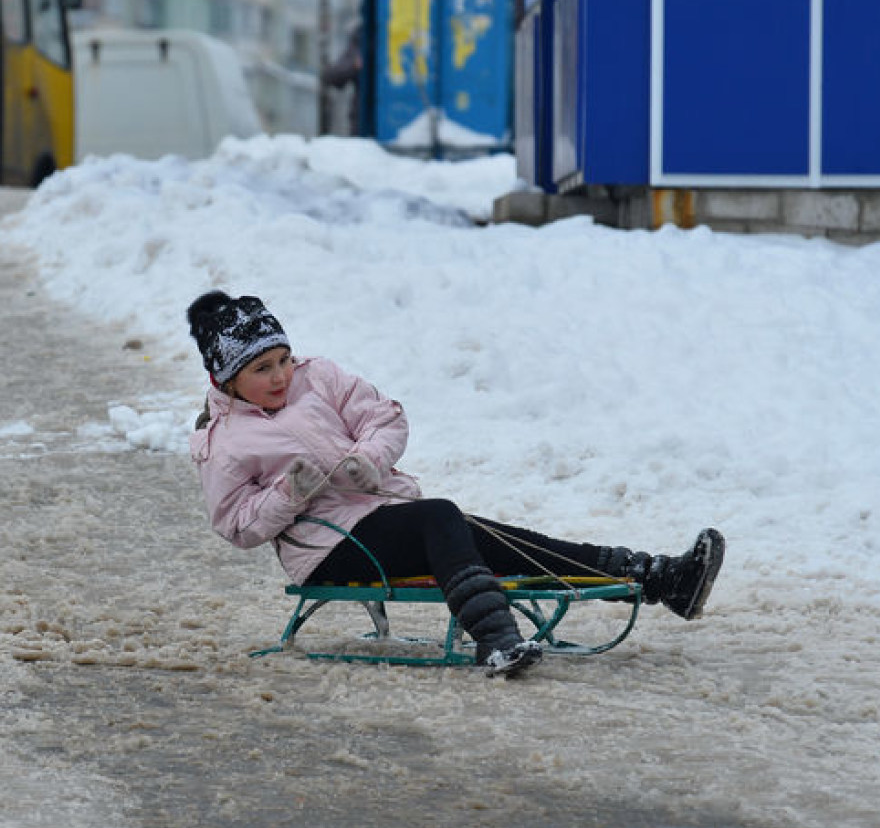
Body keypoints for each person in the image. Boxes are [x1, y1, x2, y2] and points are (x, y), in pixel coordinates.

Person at [186, 290, 726, 677]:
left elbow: (385, 418)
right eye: (262, 370)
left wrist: (368, 460)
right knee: (441, 518)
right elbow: (235, 525)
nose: (281, 376)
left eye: (282, 359)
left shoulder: (318, 376)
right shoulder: (225, 438)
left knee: (488, 537)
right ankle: (496, 641)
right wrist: (290, 493)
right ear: (227, 378)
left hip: (385, 517)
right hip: (329, 548)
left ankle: (658, 578)